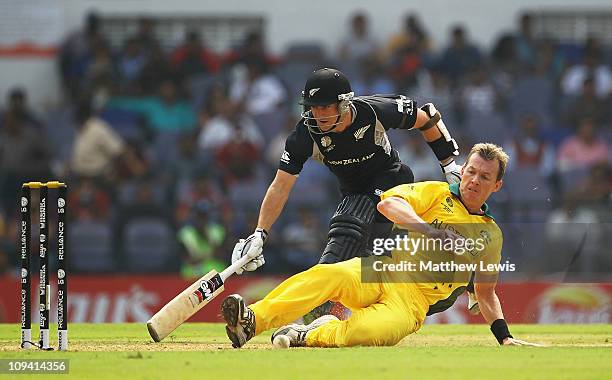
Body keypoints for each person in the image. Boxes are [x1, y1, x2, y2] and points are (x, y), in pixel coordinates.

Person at [222, 143, 541, 348]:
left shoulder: (491, 235)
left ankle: (310, 334)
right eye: (470, 171)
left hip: (413, 304)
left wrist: (505, 337)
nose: (473, 180)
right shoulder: (436, 193)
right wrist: (430, 230)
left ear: (497, 185)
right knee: (327, 275)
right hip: (385, 270)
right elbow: (388, 205)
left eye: (485, 177)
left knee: (370, 335)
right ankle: (252, 322)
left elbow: (485, 293)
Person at [230, 68, 462, 277]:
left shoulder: (374, 111)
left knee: (354, 226)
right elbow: (280, 186)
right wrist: (260, 233)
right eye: (312, 107)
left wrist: (449, 165)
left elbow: (427, 118)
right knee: (347, 238)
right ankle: (329, 302)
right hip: (352, 191)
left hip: (392, 178)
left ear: (343, 104)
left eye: (324, 107)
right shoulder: (304, 135)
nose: (317, 115)